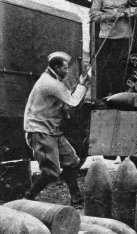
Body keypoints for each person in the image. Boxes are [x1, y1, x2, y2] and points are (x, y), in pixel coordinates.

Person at [24, 51, 90, 205]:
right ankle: (28, 198)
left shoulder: (54, 79)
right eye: (65, 69)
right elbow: (72, 101)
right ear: (55, 67)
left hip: (51, 130)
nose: (67, 71)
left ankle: (76, 197)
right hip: (40, 130)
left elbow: (66, 97)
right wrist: (83, 85)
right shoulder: (50, 82)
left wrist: (80, 84)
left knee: (71, 162)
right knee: (51, 172)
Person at [89, 0, 132, 98]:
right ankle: (103, 94)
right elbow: (93, 14)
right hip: (106, 36)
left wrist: (124, 13)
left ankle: (119, 94)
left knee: (121, 65)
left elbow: (136, 9)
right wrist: (109, 16)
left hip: (123, 36)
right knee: (105, 65)